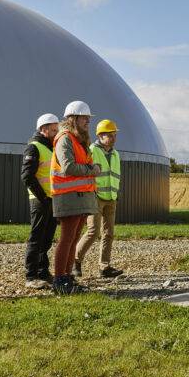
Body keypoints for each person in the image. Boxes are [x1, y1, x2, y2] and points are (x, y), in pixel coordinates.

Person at [50, 100, 100, 294]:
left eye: (88, 118)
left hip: (79, 196)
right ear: (73, 118)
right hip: (68, 196)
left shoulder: (78, 140)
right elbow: (68, 166)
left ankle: (68, 277)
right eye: (84, 117)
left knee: (73, 238)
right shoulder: (65, 138)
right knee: (67, 238)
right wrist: (91, 170)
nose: (88, 121)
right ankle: (59, 280)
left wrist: (93, 169)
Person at [74, 119, 124, 279]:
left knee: (108, 233)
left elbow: (114, 175)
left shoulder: (116, 154)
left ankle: (104, 267)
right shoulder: (92, 150)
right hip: (95, 197)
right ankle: (75, 261)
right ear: (101, 136)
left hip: (111, 198)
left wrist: (116, 194)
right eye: (110, 135)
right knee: (93, 231)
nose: (114, 137)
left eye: (115, 134)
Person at [22, 113, 60, 289]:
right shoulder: (34, 147)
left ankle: (43, 272)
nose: (56, 132)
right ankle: (31, 276)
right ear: (43, 129)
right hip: (40, 200)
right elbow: (27, 177)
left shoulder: (51, 148)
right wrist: (43, 197)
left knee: (46, 240)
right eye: (53, 129)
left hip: (51, 199)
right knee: (36, 238)